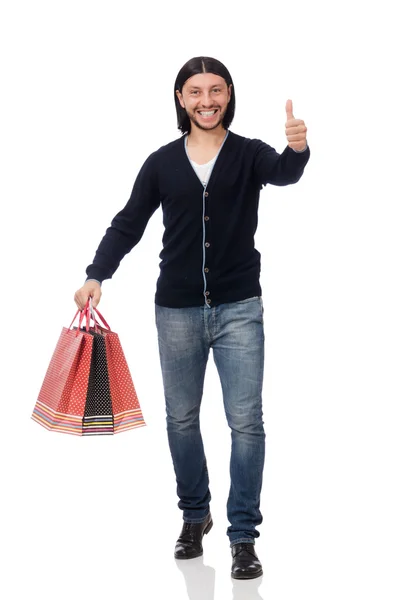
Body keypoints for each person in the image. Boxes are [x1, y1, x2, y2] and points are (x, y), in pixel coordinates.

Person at [74, 56, 310, 580]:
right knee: (181, 420)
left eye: (217, 90)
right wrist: (97, 274)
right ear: (181, 98)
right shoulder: (161, 162)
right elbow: (128, 222)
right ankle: (194, 514)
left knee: (246, 423)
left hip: (239, 310)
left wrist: (297, 148)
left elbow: (285, 173)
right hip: (176, 310)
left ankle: (243, 536)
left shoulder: (249, 154)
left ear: (229, 95)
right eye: (196, 91)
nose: (207, 100)